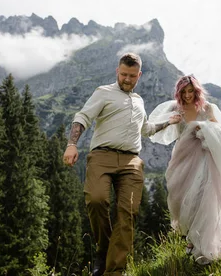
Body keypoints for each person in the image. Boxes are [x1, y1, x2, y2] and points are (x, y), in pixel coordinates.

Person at [63, 52, 181, 276]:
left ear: (139, 75)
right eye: (124, 74)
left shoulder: (139, 101)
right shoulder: (103, 92)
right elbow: (82, 117)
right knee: (96, 199)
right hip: (102, 157)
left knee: (127, 213)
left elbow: (146, 129)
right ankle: (104, 248)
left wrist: (169, 122)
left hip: (131, 163)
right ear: (117, 71)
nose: (127, 79)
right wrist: (71, 144)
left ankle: (114, 271)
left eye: (132, 76)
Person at [148, 74, 221, 265]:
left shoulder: (207, 108)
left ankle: (204, 245)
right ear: (179, 93)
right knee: (181, 200)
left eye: (191, 91)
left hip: (205, 159)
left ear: (197, 91)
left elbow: (220, 131)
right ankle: (190, 238)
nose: (188, 95)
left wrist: (204, 129)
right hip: (182, 160)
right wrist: (170, 122)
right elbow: (156, 126)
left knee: (204, 198)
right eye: (184, 92)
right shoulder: (175, 108)